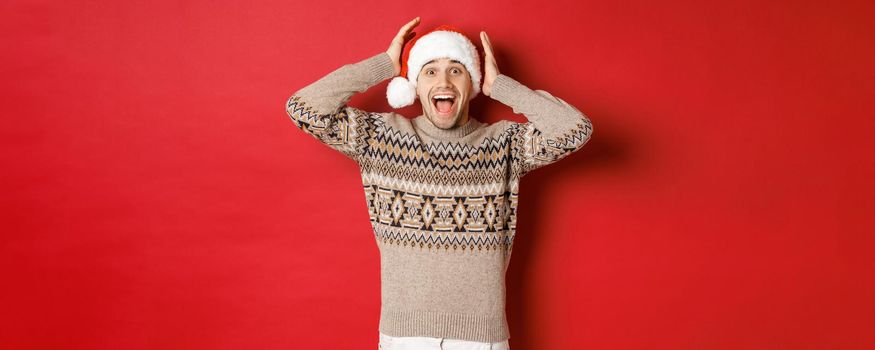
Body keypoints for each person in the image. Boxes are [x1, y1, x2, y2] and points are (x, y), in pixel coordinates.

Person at [285, 17, 593, 350]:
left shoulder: (504, 144)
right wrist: (384, 65)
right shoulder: (381, 138)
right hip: (404, 336)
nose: (443, 80)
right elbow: (304, 108)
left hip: (481, 339)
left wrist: (500, 86)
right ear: (414, 86)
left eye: (456, 70)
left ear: (471, 84)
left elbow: (574, 129)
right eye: (430, 71)